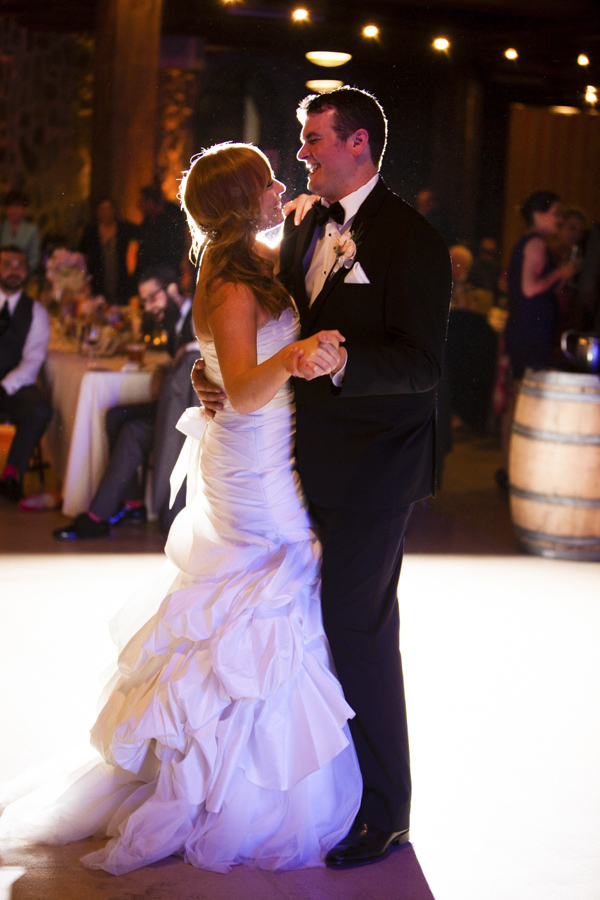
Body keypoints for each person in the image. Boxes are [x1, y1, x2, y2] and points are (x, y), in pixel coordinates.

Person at [1, 143, 361, 874]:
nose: (280, 187)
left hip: (259, 453)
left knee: (262, 601)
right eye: (266, 181)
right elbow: (246, 385)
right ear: (241, 201)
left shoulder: (248, 264)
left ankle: (241, 773)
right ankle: (234, 791)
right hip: (251, 467)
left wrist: (239, 365)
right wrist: (298, 355)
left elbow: (228, 371)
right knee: (264, 596)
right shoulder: (230, 282)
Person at [194, 87, 452, 867]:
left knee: (356, 623)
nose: (300, 152)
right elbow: (259, 324)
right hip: (303, 462)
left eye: (311, 138)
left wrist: (343, 364)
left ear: (358, 143)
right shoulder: (304, 222)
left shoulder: (411, 239)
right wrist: (216, 374)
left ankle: (386, 810)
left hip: (380, 464)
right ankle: (321, 790)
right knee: (318, 622)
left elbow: (422, 364)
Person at [52, 265, 198, 540]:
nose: (147, 306)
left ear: (171, 289)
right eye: (143, 301)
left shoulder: (196, 316)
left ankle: (96, 516)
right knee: (115, 416)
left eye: (151, 297)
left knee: (133, 431)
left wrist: (175, 366)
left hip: (190, 415)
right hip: (173, 404)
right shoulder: (171, 318)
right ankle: (133, 505)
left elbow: (199, 358)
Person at [0, 245, 51, 503]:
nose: (14, 271)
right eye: (7, 264)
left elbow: (33, 359)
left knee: (39, 408)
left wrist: (5, 386)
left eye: (20, 265)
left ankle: (11, 474)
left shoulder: (36, 312)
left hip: (13, 386)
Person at [79, 198, 138, 306]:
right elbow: (82, 254)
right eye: (102, 209)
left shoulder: (124, 228)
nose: (106, 212)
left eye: (108, 208)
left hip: (120, 280)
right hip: (98, 282)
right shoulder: (91, 232)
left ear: (114, 210)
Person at [136, 185, 187, 280]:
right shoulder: (147, 220)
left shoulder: (171, 219)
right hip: (152, 270)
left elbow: (177, 246)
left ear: (150, 202)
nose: (139, 205)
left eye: (142, 201)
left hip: (166, 270)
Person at [0, 190, 41, 273]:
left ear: (24, 209)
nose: (14, 210)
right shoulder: (2, 228)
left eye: (18, 206)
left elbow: (34, 259)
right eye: (11, 206)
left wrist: (20, 272)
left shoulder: (32, 230)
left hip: (24, 275)